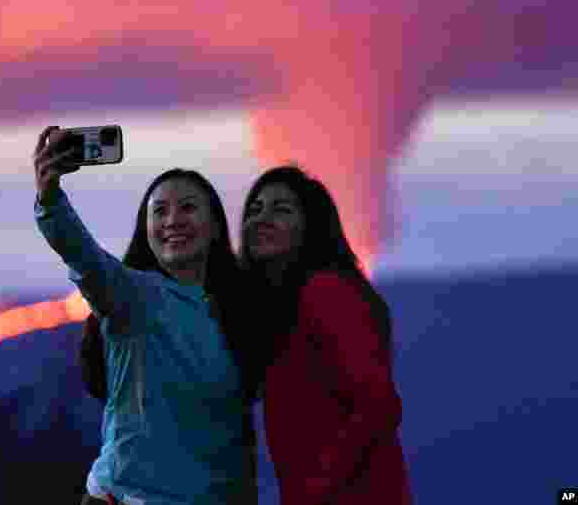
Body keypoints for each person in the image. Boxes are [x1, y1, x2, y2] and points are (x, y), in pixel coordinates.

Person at [81, 165, 413, 504]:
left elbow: (377, 404)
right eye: (255, 209)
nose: (262, 219)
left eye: (281, 210)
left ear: (310, 226)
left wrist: (317, 487)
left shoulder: (326, 290)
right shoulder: (272, 308)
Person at [33, 126, 263, 505]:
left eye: (188, 207)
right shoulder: (135, 297)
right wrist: (50, 197)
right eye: (160, 211)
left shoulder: (238, 316)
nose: (173, 220)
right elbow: (85, 258)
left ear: (216, 226)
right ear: (146, 229)